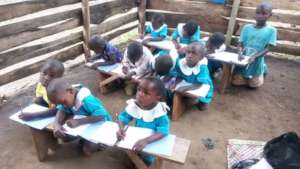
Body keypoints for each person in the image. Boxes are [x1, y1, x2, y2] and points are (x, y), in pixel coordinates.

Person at [47, 78, 112, 156]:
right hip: (85, 124)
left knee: (87, 151)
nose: (63, 105)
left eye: (64, 102)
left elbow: (101, 115)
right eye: (60, 103)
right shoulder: (66, 95)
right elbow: (61, 110)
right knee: (65, 137)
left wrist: (79, 122)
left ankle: (101, 143)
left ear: (71, 91)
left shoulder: (87, 100)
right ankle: (84, 138)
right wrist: (56, 124)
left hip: (100, 124)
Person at [116, 77, 170, 166]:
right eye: (139, 89)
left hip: (151, 143)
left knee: (146, 161)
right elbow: (123, 117)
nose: (140, 94)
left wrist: (146, 141)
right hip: (137, 139)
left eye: (146, 93)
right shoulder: (136, 105)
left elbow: (163, 132)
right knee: (128, 162)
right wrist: (121, 128)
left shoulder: (160, 113)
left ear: (158, 97)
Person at [232, 2, 277, 88]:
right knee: (236, 82)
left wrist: (254, 57)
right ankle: (242, 74)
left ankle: (263, 69)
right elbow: (240, 43)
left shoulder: (271, 30)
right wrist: (239, 53)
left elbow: (268, 47)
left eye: (264, 13)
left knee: (253, 85)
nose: (260, 16)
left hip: (257, 61)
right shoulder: (247, 28)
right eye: (258, 13)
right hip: (244, 60)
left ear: (270, 15)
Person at [170, 42, 213, 110]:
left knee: (202, 105)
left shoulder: (202, 67)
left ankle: (204, 101)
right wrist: (174, 84)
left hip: (200, 83)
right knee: (174, 91)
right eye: (188, 52)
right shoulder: (181, 63)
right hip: (189, 82)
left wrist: (185, 88)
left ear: (201, 58)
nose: (190, 55)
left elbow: (200, 84)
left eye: (194, 53)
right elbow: (178, 76)